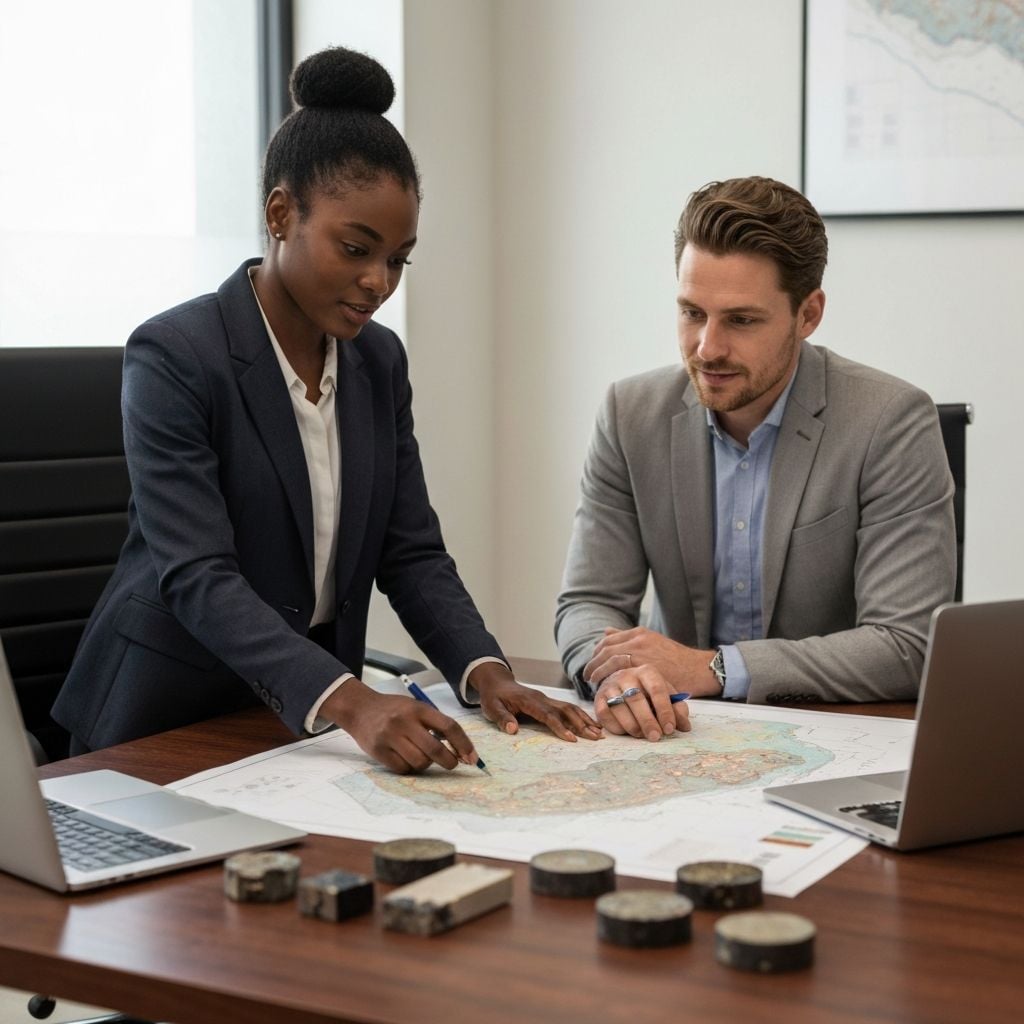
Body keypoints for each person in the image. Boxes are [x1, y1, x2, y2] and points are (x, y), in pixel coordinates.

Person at [54, 46, 600, 772]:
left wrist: (485, 672)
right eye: (355, 248)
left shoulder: (378, 361)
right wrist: (352, 700)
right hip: (163, 722)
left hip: (301, 731)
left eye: (398, 258)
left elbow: (410, 551)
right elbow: (197, 575)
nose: (379, 281)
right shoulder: (176, 355)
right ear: (281, 214)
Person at [555, 176, 955, 743]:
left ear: (808, 314)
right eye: (692, 312)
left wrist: (716, 668)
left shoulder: (890, 421)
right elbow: (588, 602)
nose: (708, 348)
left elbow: (906, 644)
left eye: (741, 320)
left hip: (837, 738)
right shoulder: (630, 413)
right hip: (675, 738)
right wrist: (616, 676)